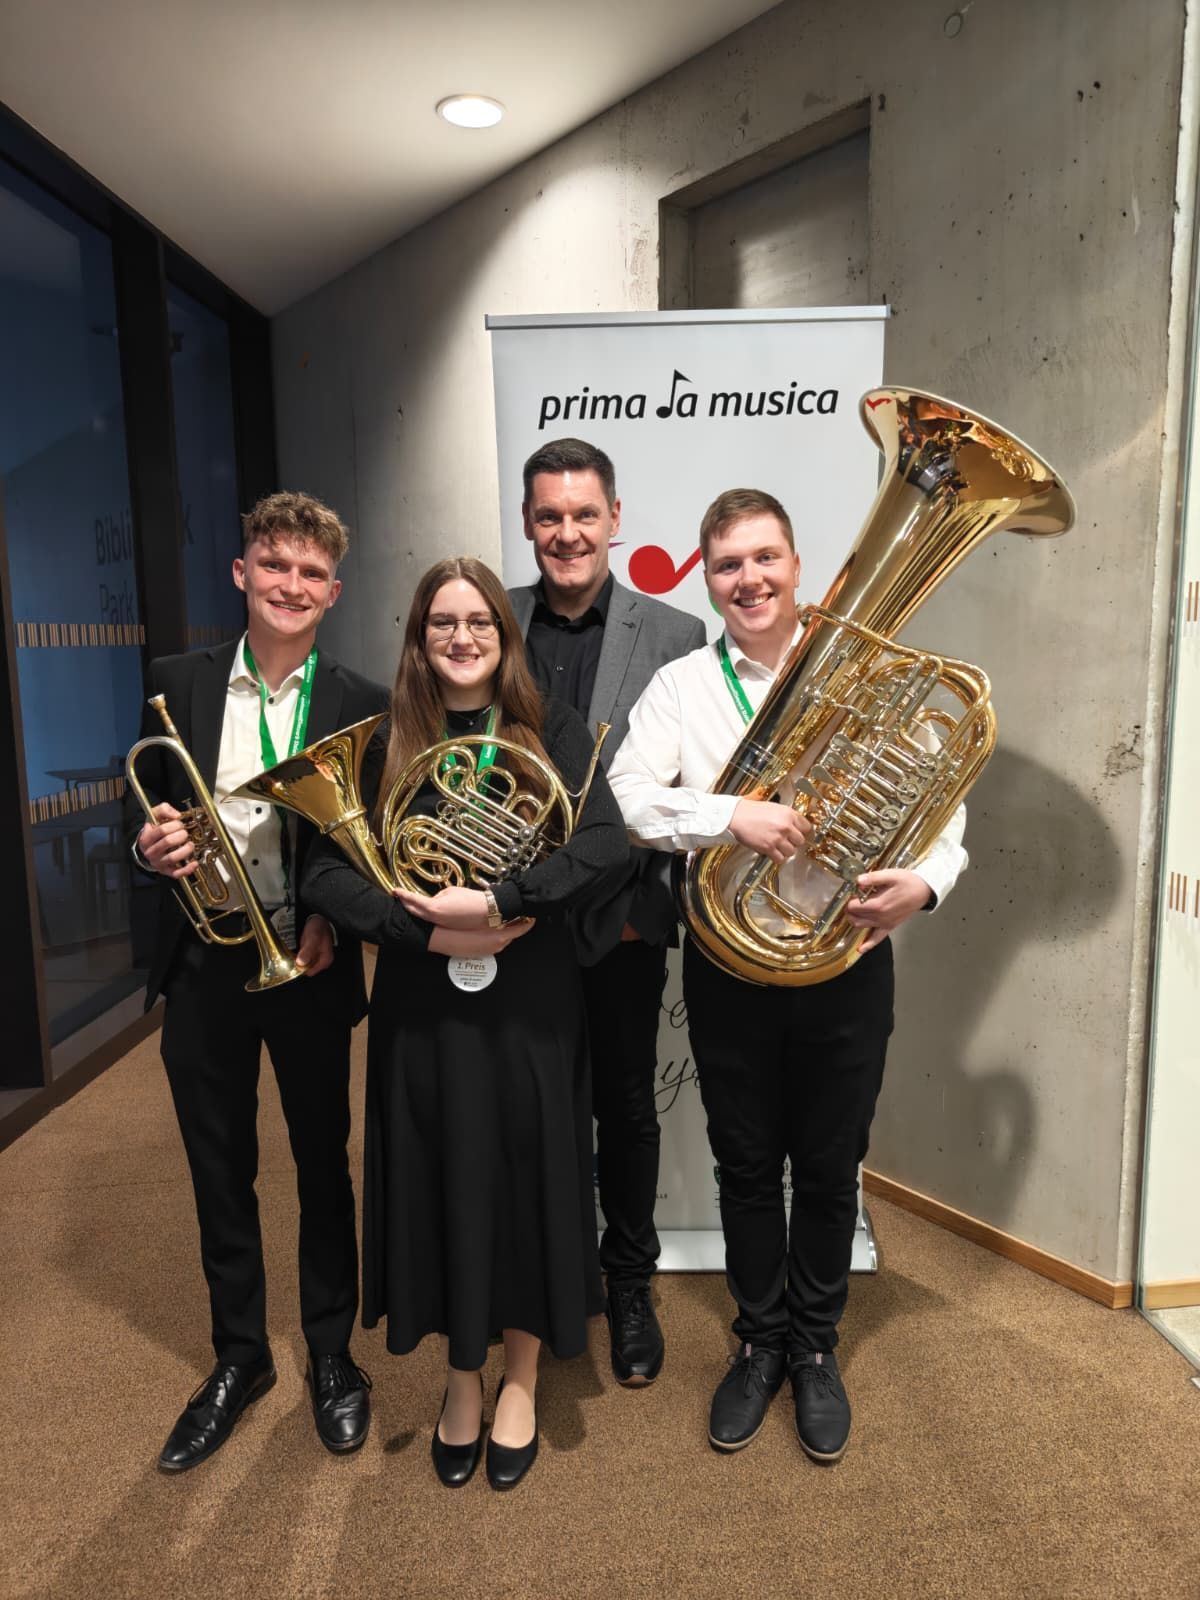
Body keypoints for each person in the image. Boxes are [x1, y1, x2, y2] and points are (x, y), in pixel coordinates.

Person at [607, 488, 968, 1464]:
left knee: (829, 1163)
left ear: (799, 565)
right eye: (728, 565)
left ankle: (815, 1345)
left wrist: (921, 888)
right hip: (732, 963)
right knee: (745, 1165)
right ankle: (759, 1339)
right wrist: (732, 817)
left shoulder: (872, 676)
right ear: (707, 577)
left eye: (765, 558)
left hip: (849, 959)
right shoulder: (681, 687)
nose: (749, 579)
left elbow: (944, 818)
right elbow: (633, 798)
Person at [302, 556, 628, 1491]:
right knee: (438, 1173)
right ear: (419, 637)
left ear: (503, 632)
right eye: (441, 621)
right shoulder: (382, 740)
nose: (461, 636)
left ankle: (520, 1375)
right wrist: (417, 931)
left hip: (529, 994)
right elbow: (326, 876)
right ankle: (459, 1377)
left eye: (478, 620)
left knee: (528, 1172)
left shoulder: (547, 726)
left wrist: (505, 895)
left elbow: (604, 843)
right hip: (422, 996)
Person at [127, 491, 387, 1472]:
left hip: (309, 959)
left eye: (311, 573)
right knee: (217, 1166)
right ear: (242, 572)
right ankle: (240, 1357)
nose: (291, 585)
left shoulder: (358, 697)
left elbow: (365, 840)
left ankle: (330, 1352)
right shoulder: (177, 681)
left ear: (332, 590)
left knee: (325, 1162)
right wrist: (150, 842)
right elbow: (146, 800)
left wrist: (328, 919)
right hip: (206, 961)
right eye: (274, 565)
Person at [508, 438, 705, 1388]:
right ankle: (543, 1280)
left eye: (585, 514)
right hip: (511, 922)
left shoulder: (676, 635)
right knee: (532, 1107)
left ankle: (629, 1280)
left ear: (615, 520)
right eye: (549, 516)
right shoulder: (486, 622)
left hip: (623, 916)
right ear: (528, 524)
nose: (568, 533)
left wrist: (643, 911)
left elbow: (691, 788)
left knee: (626, 1107)